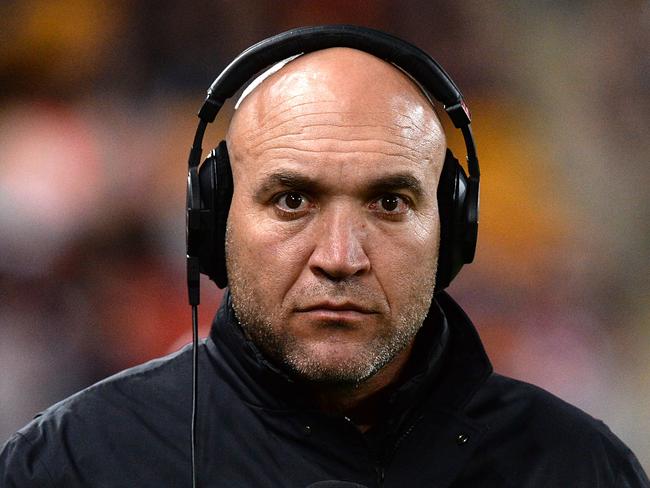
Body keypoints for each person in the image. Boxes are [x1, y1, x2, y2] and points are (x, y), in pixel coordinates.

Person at [1, 29, 648, 487]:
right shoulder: (76, 463)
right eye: (292, 200)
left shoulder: (579, 466)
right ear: (215, 221)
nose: (340, 258)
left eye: (389, 203)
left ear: (453, 229)